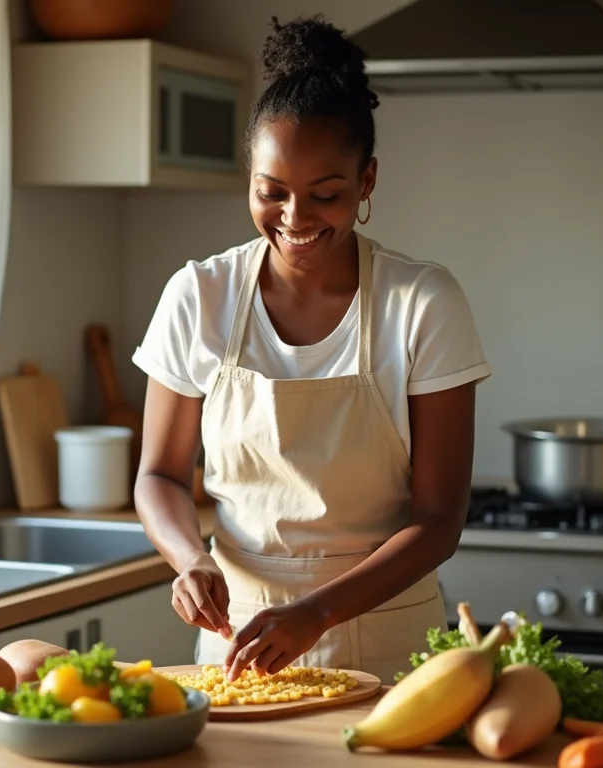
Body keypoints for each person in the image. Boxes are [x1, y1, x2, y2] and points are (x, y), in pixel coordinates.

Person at [132, 14, 491, 684]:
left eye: (325, 194)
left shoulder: (422, 304)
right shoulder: (198, 296)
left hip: (390, 650)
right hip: (239, 643)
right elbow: (158, 476)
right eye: (272, 193)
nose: (294, 219)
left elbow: (439, 520)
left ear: (367, 181)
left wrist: (316, 614)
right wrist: (191, 559)